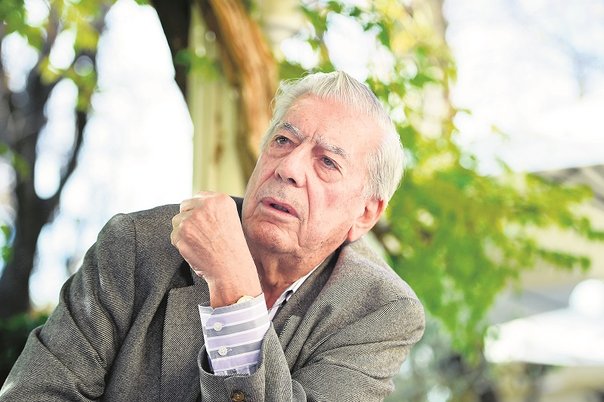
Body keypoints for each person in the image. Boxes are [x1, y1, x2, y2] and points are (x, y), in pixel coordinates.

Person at [0, 71, 424, 401]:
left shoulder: (379, 310)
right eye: (282, 140)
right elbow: (34, 393)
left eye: (327, 162)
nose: (289, 168)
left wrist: (235, 292)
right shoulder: (135, 246)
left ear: (366, 213)